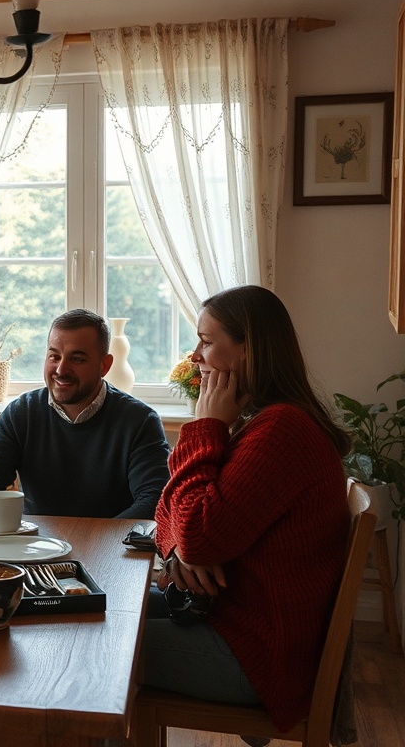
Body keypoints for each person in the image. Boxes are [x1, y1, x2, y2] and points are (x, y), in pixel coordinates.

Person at [145, 285, 351, 733]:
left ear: (247, 349)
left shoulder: (282, 430)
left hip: (257, 653)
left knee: (97, 646)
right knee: (100, 609)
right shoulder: (258, 422)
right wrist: (178, 552)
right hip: (228, 618)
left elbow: (200, 532)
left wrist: (204, 427)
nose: (195, 354)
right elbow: (167, 510)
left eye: (206, 340)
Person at [0, 309, 170, 518]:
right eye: (54, 356)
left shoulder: (140, 422)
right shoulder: (21, 413)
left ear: (104, 365)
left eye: (78, 359)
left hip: (112, 548)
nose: (61, 370)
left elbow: (155, 500)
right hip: (34, 546)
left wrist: (96, 544)